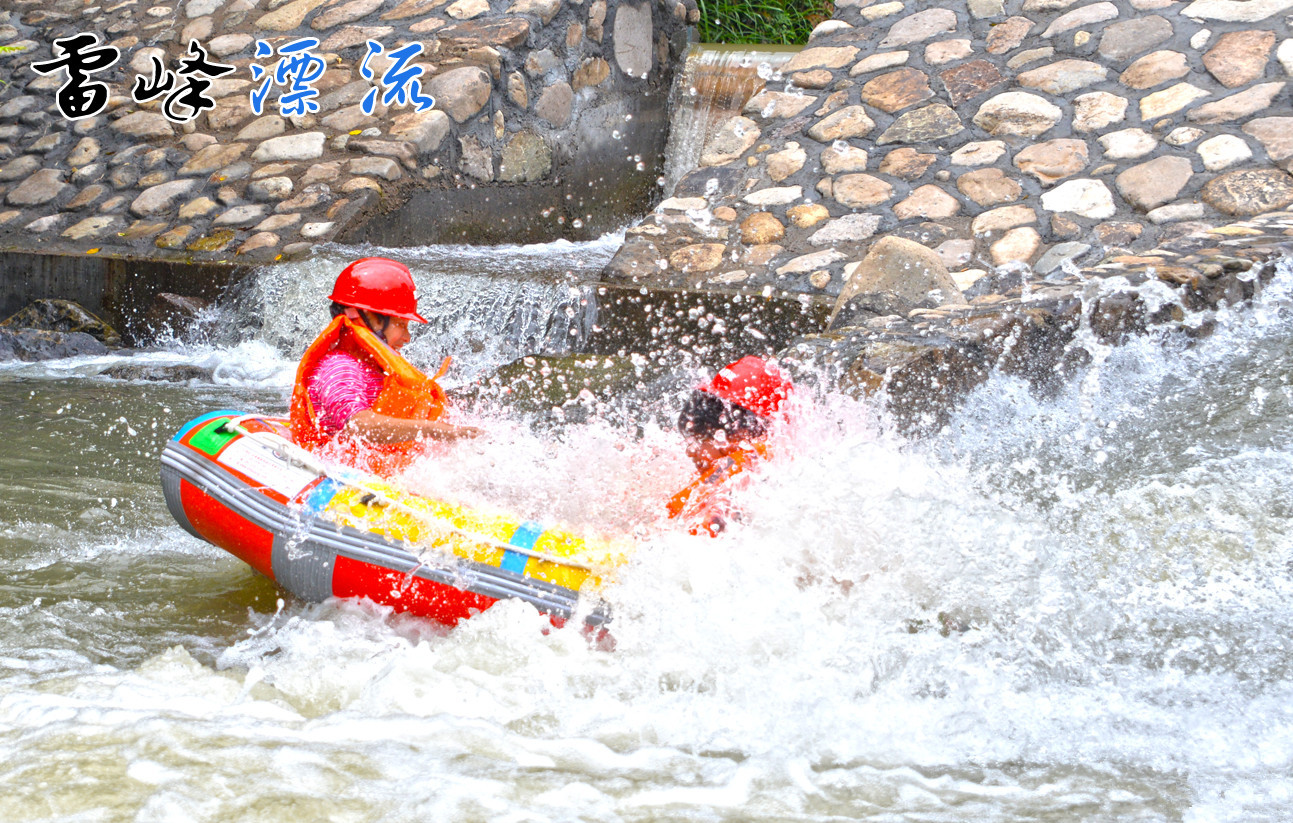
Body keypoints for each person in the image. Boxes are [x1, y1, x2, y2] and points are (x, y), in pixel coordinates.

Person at [289, 257, 481, 469]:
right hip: (337, 475)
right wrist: (434, 430)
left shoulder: (375, 366)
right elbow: (358, 425)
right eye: (401, 324)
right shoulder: (339, 368)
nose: (407, 337)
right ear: (369, 316)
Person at [666, 355, 794, 536]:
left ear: (743, 433)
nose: (690, 451)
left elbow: (719, 504)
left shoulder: (747, 463)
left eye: (702, 438)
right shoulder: (787, 460)